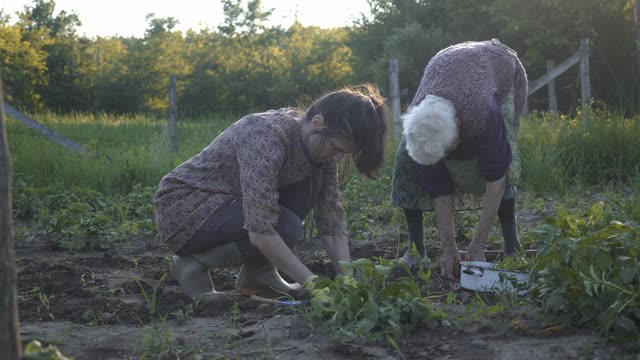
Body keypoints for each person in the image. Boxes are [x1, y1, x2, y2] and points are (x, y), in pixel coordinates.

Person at [153, 84, 388, 302]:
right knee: (284, 225)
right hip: (185, 207)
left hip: (229, 204)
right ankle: (192, 265)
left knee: (305, 191)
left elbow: (331, 221)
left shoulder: (320, 148)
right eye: (336, 148)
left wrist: (347, 281)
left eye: (343, 153)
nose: (336, 158)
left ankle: (259, 273)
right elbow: (261, 230)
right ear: (317, 122)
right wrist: (313, 284)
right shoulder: (265, 135)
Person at [391, 39, 528, 278]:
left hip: (501, 69)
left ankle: (512, 247)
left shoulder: (484, 114)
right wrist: (448, 248)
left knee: (503, 160)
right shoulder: (419, 120)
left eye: (448, 149)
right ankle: (416, 251)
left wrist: (478, 245)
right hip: (447, 66)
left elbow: (496, 180)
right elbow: (437, 186)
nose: (448, 158)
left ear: (457, 123)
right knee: (405, 160)